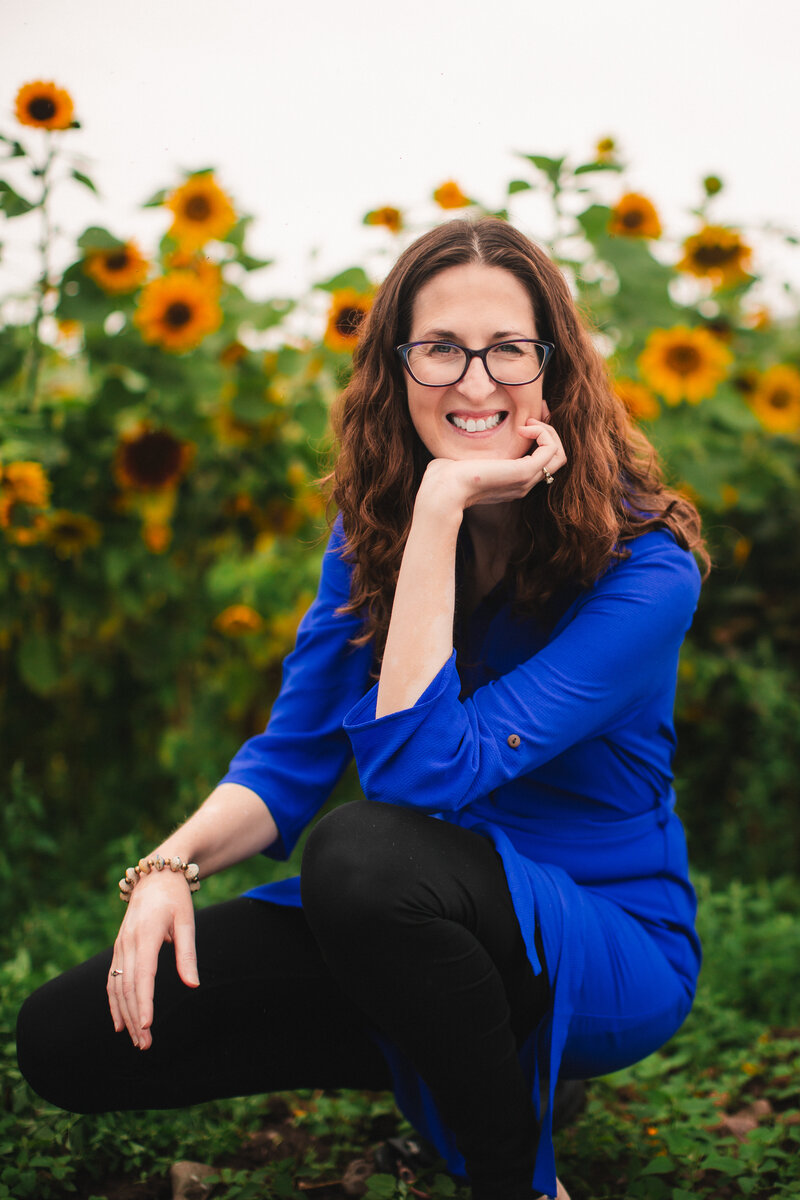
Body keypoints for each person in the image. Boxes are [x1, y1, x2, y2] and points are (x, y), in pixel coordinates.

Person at [17, 217, 708, 1200]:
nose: (474, 383)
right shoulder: (371, 528)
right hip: (408, 915)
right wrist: (169, 867)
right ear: (397, 365)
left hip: (599, 939)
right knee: (69, 1039)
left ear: (557, 365)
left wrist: (441, 509)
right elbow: (291, 756)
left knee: (360, 851)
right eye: (439, 349)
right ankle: (480, 1070)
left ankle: (511, 1176)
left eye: (507, 348)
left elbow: (428, 772)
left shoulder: (643, 569)